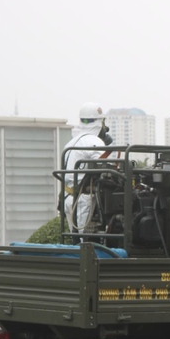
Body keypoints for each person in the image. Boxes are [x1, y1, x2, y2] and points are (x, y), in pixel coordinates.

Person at [62, 102, 112, 240]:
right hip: (83, 198)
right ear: (99, 122)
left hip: (68, 197)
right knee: (84, 242)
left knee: (75, 239)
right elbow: (106, 170)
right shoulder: (94, 142)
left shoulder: (72, 142)